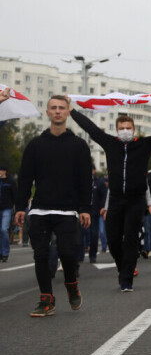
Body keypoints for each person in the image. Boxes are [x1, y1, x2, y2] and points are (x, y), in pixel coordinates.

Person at [69, 99, 151, 292]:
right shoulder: (110, 143)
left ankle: (126, 281)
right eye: (121, 127)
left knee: (131, 239)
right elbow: (91, 128)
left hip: (136, 199)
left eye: (128, 127)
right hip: (115, 198)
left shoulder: (144, 145)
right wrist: (72, 111)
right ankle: (122, 267)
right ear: (117, 130)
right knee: (113, 238)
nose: (125, 130)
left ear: (133, 129)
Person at [15, 95, 91, 316]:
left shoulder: (79, 146)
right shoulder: (35, 145)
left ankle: (71, 284)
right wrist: (21, 206)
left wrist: (85, 208)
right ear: (47, 113)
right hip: (40, 209)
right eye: (53, 108)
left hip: (68, 211)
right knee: (41, 255)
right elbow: (25, 178)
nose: (57, 111)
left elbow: (86, 180)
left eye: (61, 108)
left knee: (67, 254)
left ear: (68, 113)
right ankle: (46, 300)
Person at [88, 166, 108, 263]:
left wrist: (103, 207)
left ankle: (93, 255)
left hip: (95, 213)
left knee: (94, 234)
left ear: (94, 171)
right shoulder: (80, 182)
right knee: (80, 235)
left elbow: (104, 196)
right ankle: (79, 256)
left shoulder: (99, 183)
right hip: (83, 212)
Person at [0, 165, 17, 262]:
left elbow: (15, 196)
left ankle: (5, 252)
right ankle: (1, 252)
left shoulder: (10, 182)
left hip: (7, 209)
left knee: (4, 229)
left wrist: (17, 209)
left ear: (4, 171)